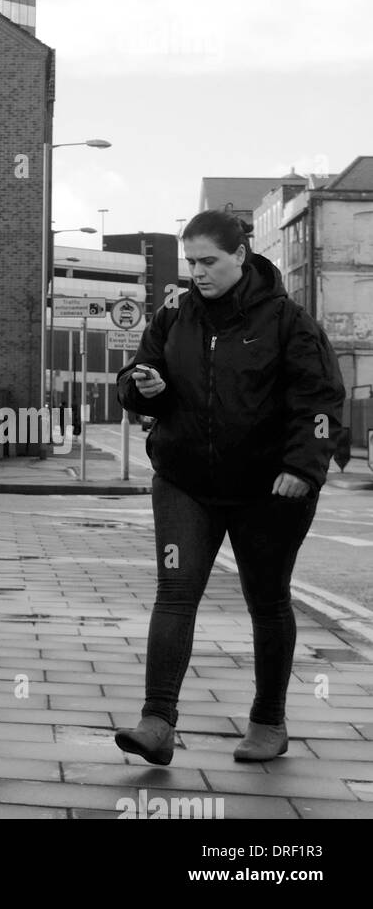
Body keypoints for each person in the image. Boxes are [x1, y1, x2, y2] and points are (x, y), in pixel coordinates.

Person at [114, 210, 346, 766]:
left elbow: (319, 400)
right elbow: (136, 379)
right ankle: (157, 722)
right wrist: (142, 386)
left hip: (270, 490)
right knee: (176, 590)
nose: (197, 272)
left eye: (209, 261)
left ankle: (269, 722)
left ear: (241, 255)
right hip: (184, 483)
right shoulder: (174, 317)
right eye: (190, 261)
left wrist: (304, 466)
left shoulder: (289, 322)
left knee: (267, 601)